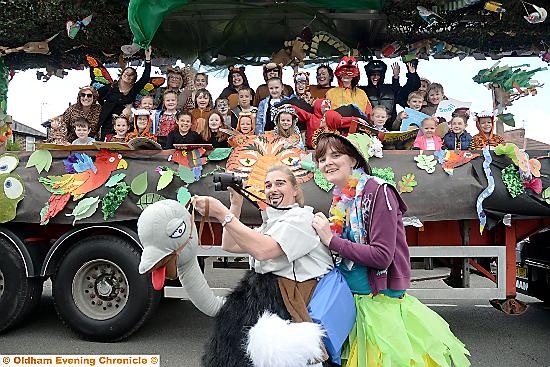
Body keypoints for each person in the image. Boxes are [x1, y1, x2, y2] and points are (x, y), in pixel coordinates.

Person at [312, 132, 470, 367]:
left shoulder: (378, 192)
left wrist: (330, 240)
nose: (327, 163)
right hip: (351, 301)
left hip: (378, 304)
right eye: (322, 158)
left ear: (354, 160)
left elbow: (381, 256)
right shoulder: (343, 198)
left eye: (335, 155)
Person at [193, 164, 333, 366]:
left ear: (295, 190)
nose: (272, 189)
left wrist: (222, 214)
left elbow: (264, 250)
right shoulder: (273, 222)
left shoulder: (302, 219)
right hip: (260, 300)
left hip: (287, 305)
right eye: (268, 185)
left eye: (280, 183)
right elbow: (229, 245)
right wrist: (235, 206)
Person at [96, 47, 152, 140]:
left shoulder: (134, 89)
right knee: (106, 145)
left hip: (125, 124)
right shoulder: (111, 87)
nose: (128, 75)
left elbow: (145, 77)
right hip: (108, 123)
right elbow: (98, 96)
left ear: (134, 79)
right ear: (122, 74)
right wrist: (106, 106)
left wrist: (148, 58)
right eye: (126, 73)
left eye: (131, 75)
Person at [361, 60, 420, 130]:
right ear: (368, 75)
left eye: (378, 75)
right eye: (373, 74)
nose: (375, 77)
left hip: (391, 129)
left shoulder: (391, 89)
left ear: (382, 75)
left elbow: (410, 89)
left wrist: (412, 74)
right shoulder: (362, 91)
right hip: (370, 129)